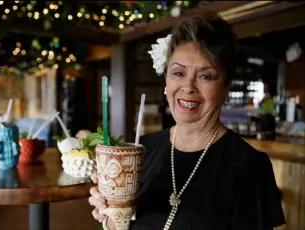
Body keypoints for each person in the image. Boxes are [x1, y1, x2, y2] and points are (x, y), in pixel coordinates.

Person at [88, 11, 285, 230]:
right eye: (178, 73)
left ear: (226, 88)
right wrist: (110, 214)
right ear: (166, 81)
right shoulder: (141, 151)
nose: (188, 86)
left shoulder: (248, 166)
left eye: (205, 76)